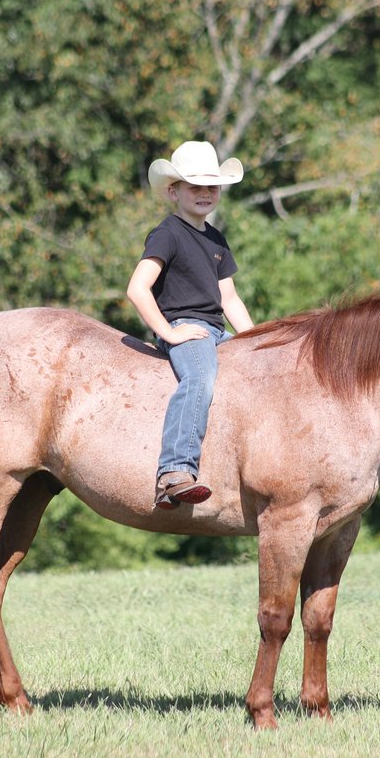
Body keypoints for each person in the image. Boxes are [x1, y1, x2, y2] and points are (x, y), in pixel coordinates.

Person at [126, 140, 256, 510]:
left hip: (217, 331)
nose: (205, 193)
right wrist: (169, 332)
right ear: (173, 191)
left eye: (212, 186)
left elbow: (229, 299)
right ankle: (174, 471)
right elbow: (137, 289)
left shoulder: (216, 239)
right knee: (199, 379)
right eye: (194, 186)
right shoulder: (168, 233)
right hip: (187, 326)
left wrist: (256, 341)